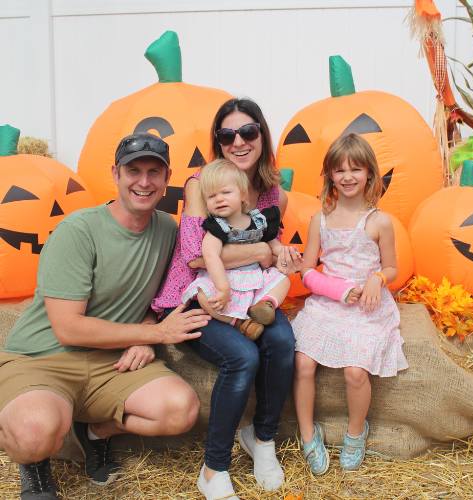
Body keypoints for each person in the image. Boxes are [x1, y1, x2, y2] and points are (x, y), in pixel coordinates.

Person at [0, 132, 210, 500]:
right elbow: (68, 328)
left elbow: (160, 297)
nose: (143, 182)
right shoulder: (78, 231)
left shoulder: (167, 231)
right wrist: (157, 335)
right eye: (133, 170)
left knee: (180, 410)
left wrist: (146, 329)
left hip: (110, 365)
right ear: (115, 174)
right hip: (43, 358)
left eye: (153, 172)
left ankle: (94, 433)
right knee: (34, 433)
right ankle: (33, 459)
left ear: (166, 179)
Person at [152, 98, 302, 500]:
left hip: (250, 292)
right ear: (218, 142)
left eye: (248, 132)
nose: (238, 141)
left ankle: (263, 438)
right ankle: (213, 468)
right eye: (227, 134)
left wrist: (280, 253)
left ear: (261, 135)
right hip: (202, 295)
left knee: (283, 341)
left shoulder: (273, 194)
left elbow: (271, 244)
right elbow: (194, 255)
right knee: (243, 357)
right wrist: (260, 253)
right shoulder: (203, 186)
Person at [292, 133, 409, 475]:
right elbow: (308, 269)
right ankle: (306, 433)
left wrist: (377, 279)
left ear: (369, 174)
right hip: (328, 302)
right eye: (339, 170)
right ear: (329, 175)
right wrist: (329, 286)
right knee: (302, 363)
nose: (347, 177)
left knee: (355, 371)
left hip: (366, 306)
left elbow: (392, 266)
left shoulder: (379, 221)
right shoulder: (320, 220)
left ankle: (356, 432)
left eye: (355, 169)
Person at [182, 158, 290, 340]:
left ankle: (265, 305)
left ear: (242, 195)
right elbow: (210, 256)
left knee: (283, 280)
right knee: (202, 294)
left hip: (254, 276)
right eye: (211, 196)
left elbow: (271, 242)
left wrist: (285, 254)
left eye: (225, 192)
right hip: (225, 279)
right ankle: (239, 323)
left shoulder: (258, 220)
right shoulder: (216, 228)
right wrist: (223, 288)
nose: (219, 199)